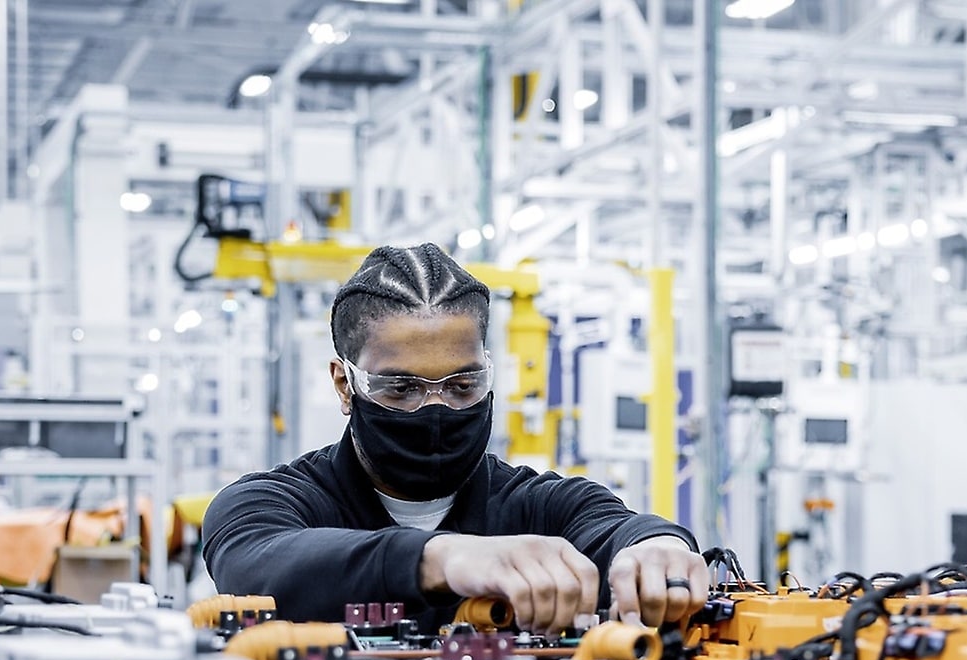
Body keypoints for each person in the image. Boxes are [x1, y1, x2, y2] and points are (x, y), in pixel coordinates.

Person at [202, 243, 709, 635]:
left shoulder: (541, 509)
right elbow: (258, 563)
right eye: (401, 388)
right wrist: (445, 558)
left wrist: (658, 547)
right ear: (345, 383)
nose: (436, 410)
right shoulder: (269, 504)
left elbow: (617, 527)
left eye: (463, 386)